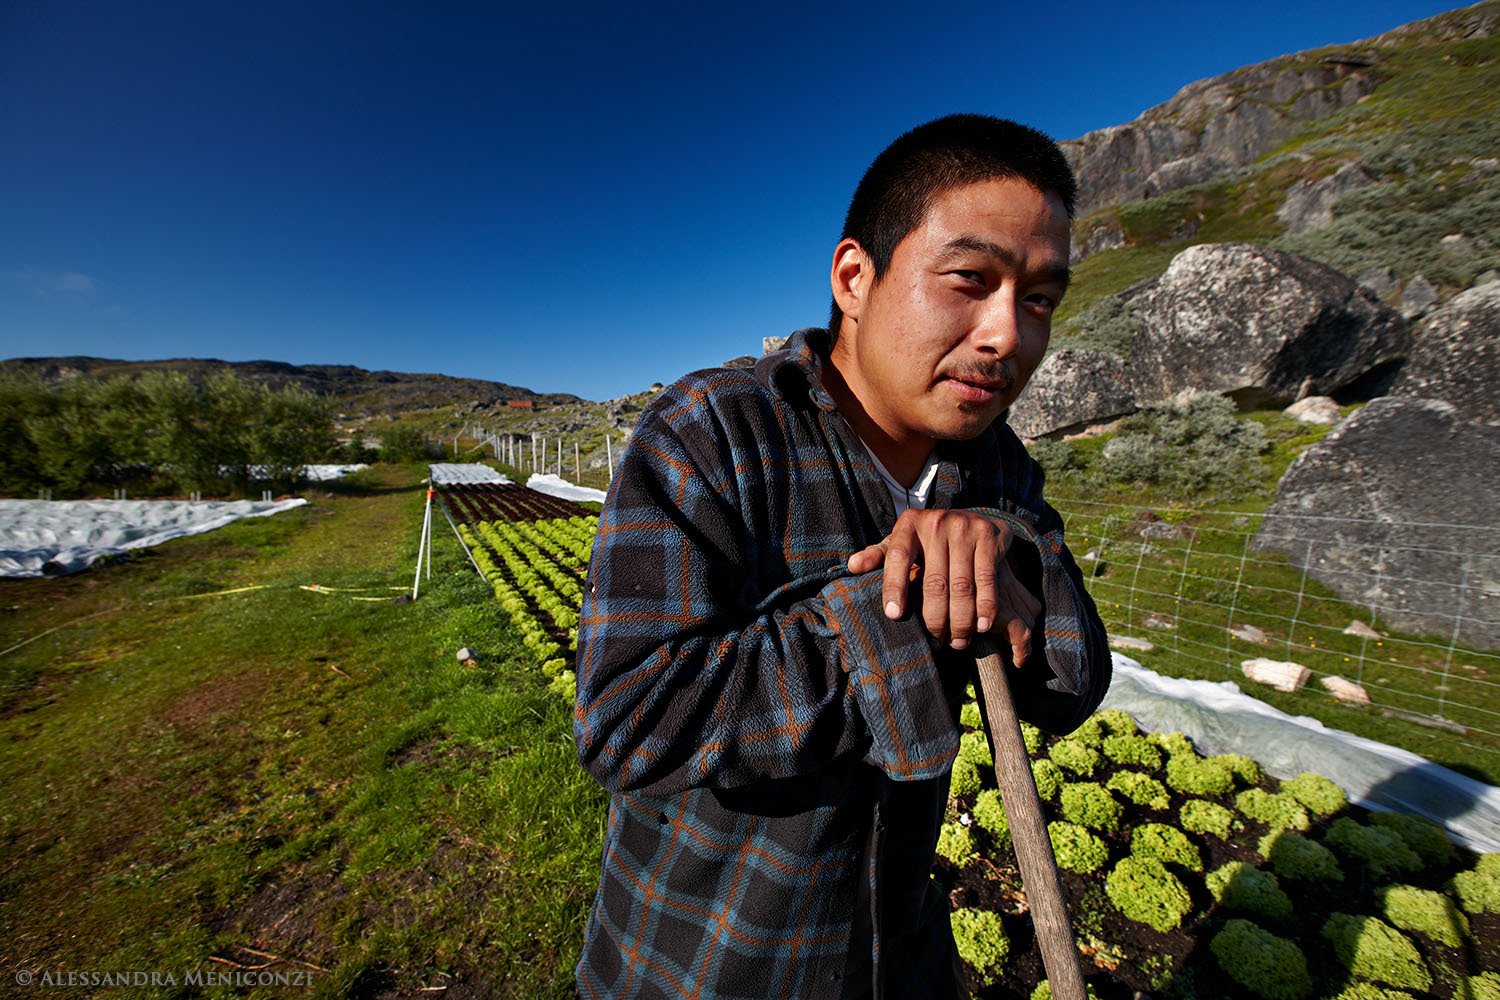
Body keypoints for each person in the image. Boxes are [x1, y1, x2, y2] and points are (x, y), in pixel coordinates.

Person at [573, 114, 1111, 1000]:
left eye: (1040, 299)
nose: (1006, 336)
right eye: (970, 280)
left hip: (894, 950)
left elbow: (1069, 685)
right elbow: (628, 716)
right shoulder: (715, 433)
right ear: (855, 277)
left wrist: (1004, 554)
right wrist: (894, 608)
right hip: (706, 962)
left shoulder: (996, 463)